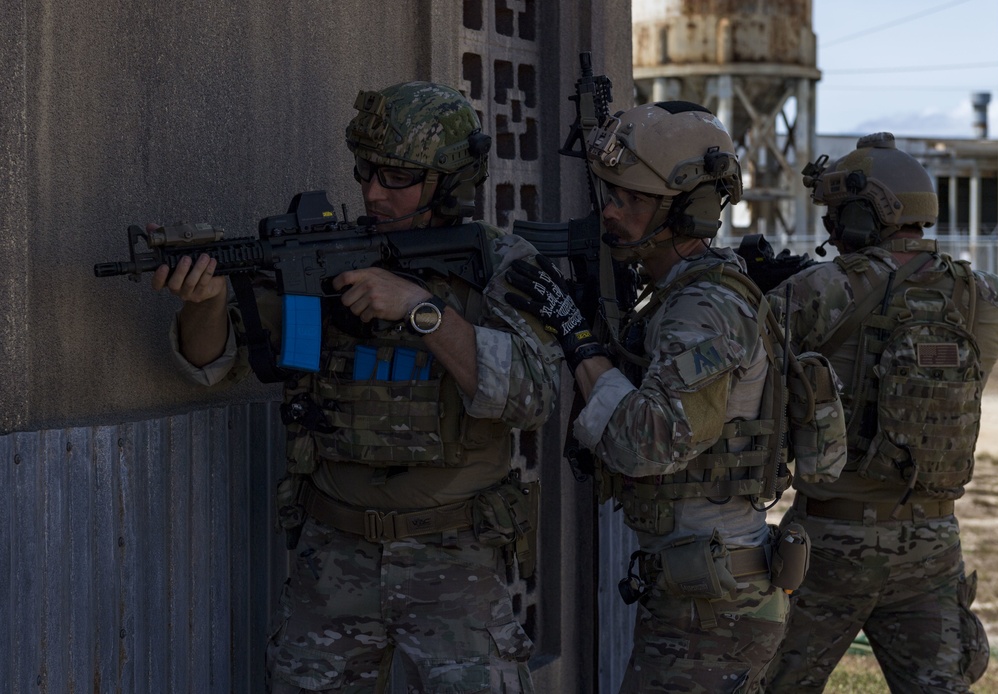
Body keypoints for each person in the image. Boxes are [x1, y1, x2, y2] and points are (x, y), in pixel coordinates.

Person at [151, 81, 562, 693]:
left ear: (450, 182)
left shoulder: (501, 263)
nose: (372, 191)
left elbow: (533, 396)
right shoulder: (324, 258)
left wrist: (421, 310)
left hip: (455, 560)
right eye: (366, 171)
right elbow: (216, 361)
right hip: (332, 559)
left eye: (396, 177)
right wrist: (203, 302)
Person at [506, 101, 798, 693]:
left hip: (713, 608)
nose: (612, 211)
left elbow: (649, 444)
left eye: (633, 200)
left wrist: (576, 336)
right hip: (701, 592)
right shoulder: (676, 293)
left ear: (688, 210)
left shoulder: (703, 308)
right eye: (611, 194)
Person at [764, 132, 998, 693]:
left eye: (837, 213)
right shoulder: (979, 295)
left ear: (864, 214)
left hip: (829, 540)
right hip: (932, 540)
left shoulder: (817, 288)